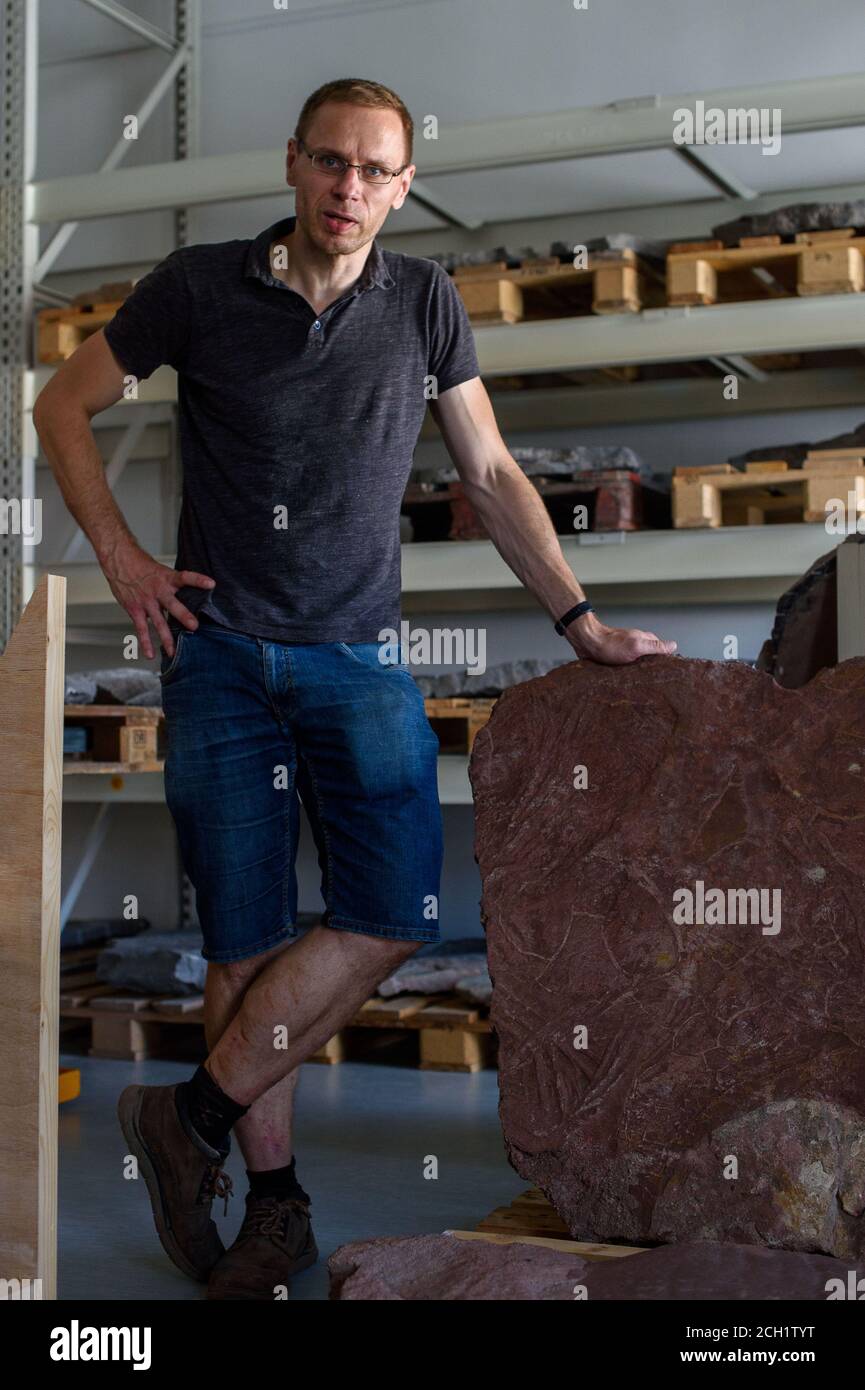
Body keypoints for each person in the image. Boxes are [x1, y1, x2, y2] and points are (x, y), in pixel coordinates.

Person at [34, 77, 676, 1301]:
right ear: (292, 164)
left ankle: (192, 1119)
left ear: (404, 184)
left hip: (361, 654)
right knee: (245, 935)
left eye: (376, 171)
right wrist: (119, 557)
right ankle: (274, 1211)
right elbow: (63, 401)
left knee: (392, 909)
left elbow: (487, 470)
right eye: (331, 163)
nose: (350, 190)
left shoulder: (424, 302)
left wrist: (578, 618)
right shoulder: (198, 287)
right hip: (218, 654)